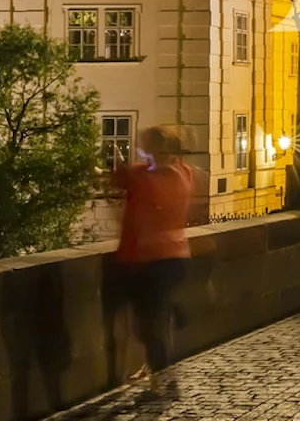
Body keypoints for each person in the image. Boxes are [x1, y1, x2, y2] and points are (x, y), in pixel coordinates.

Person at [111, 126, 193, 400]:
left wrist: (121, 162)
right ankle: (163, 375)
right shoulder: (184, 173)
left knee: (149, 328)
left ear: (154, 151)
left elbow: (122, 178)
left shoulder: (146, 181)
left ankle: (164, 384)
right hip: (177, 257)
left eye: (145, 148)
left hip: (150, 261)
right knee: (156, 324)